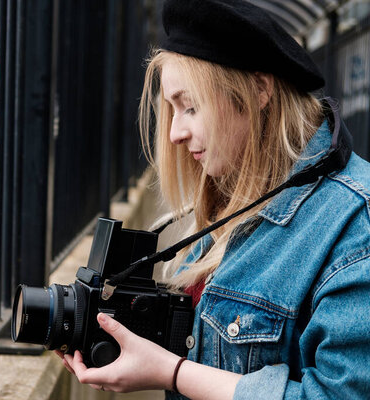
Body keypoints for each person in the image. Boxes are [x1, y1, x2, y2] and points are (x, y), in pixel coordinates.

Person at [56, 0, 370, 399]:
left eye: (190, 106)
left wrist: (171, 373)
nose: (174, 134)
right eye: (172, 111)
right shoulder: (233, 201)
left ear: (258, 90)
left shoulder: (355, 223)